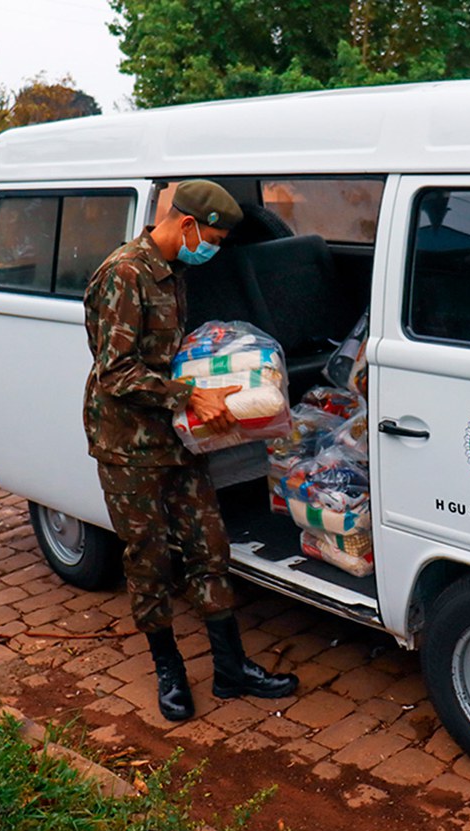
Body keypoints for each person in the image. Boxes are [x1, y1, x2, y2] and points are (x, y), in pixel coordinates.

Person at [83, 179, 298, 722]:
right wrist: (190, 393)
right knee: (149, 560)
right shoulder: (125, 273)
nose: (216, 248)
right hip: (128, 444)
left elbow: (170, 352)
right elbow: (117, 372)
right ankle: (169, 670)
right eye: (215, 237)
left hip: (178, 437)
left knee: (209, 548)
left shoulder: (174, 270)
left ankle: (231, 668)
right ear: (186, 226)